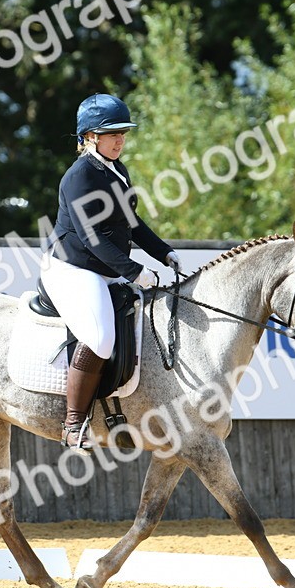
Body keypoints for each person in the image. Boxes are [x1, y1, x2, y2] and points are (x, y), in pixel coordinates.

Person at [41, 93, 181, 449]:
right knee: (100, 338)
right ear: (90, 137)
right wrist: (134, 271)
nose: (120, 139)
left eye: (123, 132)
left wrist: (164, 253)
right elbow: (92, 239)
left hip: (105, 266)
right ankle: (73, 424)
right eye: (112, 133)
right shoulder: (79, 177)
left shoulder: (116, 168)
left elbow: (131, 223)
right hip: (73, 267)